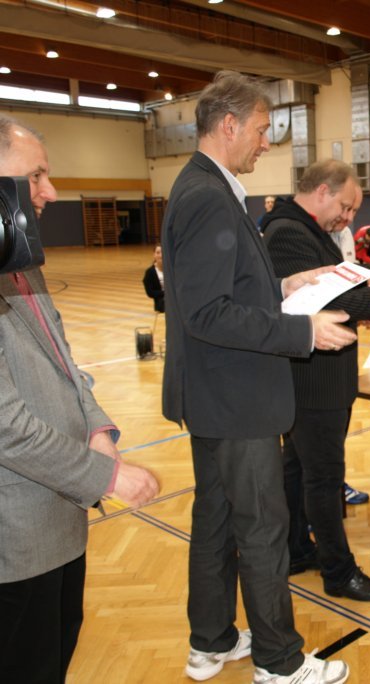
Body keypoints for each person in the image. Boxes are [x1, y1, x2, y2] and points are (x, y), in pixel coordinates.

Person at [161, 71, 354, 684]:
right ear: (229, 125)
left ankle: (211, 641)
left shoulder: (204, 186)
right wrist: (304, 331)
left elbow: (225, 289)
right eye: (263, 129)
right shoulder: (206, 196)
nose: (267, 142)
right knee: (263, 527)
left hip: (217, 394)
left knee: (216, 521)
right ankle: (279, 660)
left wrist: (283, 285)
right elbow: (207, 312)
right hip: (235, 397)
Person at [0, 114, 160, 682]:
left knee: (57, 651)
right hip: (15, 534)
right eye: (35, 177)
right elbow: (7, 429)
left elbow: (65, 363)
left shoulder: (21, 264)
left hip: (60, 517)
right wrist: (108, 476)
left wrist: (98, 428)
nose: (50, 192)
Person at [262, 160, 370, 602]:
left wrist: (366, 275)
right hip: (313, 381)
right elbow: (321, 301)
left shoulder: (307, 229)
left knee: (298, 469)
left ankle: (297, 549)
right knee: (324, 478)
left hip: (316, 377)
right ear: (322, 191)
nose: (349, 218)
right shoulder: (289, 232)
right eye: (346, 207)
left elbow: (338, 282)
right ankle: (339, 572)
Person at [142, 243, 165, 312]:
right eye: (158, 253)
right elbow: (150, 292)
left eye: (163, 252)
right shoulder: (149, 272)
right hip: (161, 302)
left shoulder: (172, 270)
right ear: (154, 255)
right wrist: (165, 293)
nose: (160, 255)